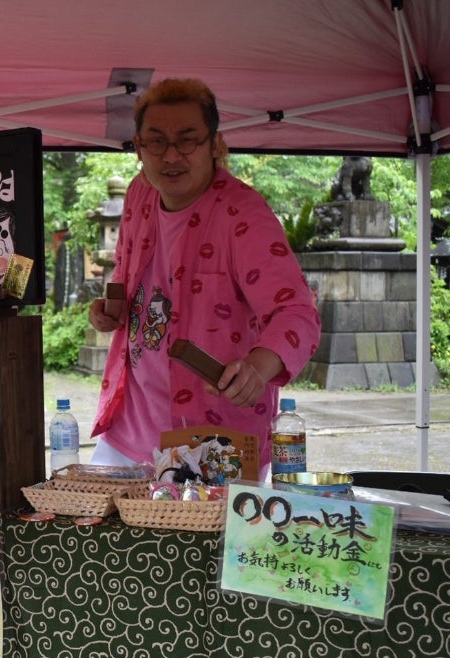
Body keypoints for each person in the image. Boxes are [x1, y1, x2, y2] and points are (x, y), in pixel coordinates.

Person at [87, 78, 320, 478]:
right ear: (140, 147)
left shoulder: (242, 213)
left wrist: (258, 368)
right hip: (129, 429)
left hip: (215, 437)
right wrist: (110, 310)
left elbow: (296, 311)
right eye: (156, 141)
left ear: (214, 144)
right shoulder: (140, 193)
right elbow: (127, 279)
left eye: (188, 140)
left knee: (206, 542)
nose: (171, 155)